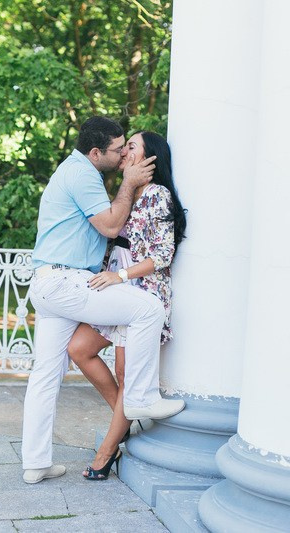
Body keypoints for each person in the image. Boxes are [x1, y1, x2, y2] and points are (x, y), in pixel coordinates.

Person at [21, 118, 185, 484]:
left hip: (53, 284)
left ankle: (35, 463)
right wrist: (128, 183)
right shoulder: (82, 176)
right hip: (66, 281)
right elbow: (111, 227)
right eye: (118, 148)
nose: (123, 152)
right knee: (149, 308)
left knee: (46, 376)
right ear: (96, 153)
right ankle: (140, 398)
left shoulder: (79, 172)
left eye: (129, 146)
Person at [67, 131, 187, 480]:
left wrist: (120, 277)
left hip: (141, 288)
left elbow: (162, 256)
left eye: (130, 148)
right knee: (79, 349)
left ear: (150, 160)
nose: (122, 154)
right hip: (115, 286)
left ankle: (107, 451)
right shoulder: (128, 194)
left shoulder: (157, 196)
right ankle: (126, 422)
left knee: (125, 373)